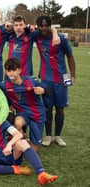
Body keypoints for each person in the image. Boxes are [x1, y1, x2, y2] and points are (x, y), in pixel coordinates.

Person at [0, 97, 58, 185]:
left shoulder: (0, 122)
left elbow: (18, 134)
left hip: (9, 154)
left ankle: (41, 173)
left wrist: (9, 144)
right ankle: (16, 169)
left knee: (22, 142)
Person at [35, 15, 76, 147]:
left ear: (50, 26)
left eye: (46, 25)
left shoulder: (62, 39)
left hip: (63, 78)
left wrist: (72, 75)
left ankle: (58, 136)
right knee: (47, 108)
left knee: (60, 108)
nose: (44, 28)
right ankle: (47, 136)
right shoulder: (37, 37)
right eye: (41, 25)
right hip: (45, 79)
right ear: (38, 27)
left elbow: (70, 56)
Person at [3, 58, 46, 151]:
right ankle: (20, 141)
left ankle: (30, 143)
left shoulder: (31, 81)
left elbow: (46, 88)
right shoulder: (5, 85)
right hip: (22, 113)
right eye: (8, 70)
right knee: (17, 123)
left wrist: (43, 90)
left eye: (13, 70)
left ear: (19, 70)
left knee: (34, 148)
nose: (11, 73)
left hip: (37, 113)